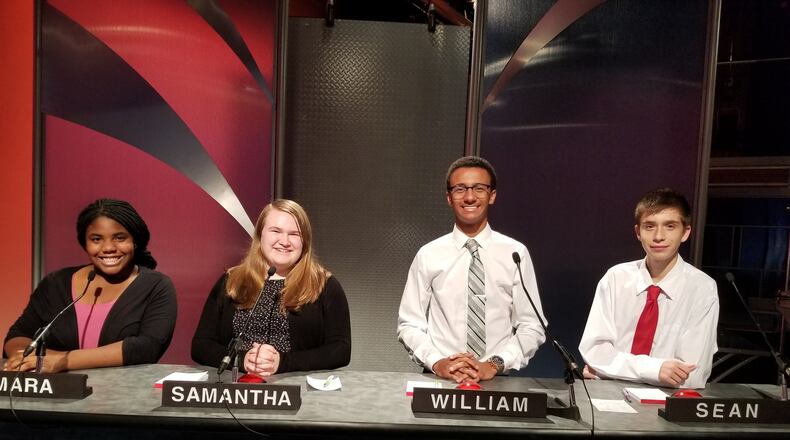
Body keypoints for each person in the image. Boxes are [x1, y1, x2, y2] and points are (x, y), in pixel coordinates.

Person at [397, 156, 546, 383]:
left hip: (497, 381)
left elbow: (532, 326)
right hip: (441, 380)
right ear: (449, 197)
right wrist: (438, 362)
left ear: (492, 195)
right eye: (460, 189)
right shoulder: (428, 254)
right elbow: (410, 324)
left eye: (479, 188)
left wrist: (494, 364)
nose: (469, 197)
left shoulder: (515, 253)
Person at [3, 199, 177, 372]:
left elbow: (146, 348)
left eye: (119, 238)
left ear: (135, 241)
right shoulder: (56, 283)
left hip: (124, 395)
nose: (108, 247)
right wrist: (26, 358)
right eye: (96, 239)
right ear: (85, 244)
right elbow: (18, 335)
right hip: (57, 394)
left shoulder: (157, 286)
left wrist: (63, 361)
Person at [191, 199, 351, 377]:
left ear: (304, 241)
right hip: (235, 391)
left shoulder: (325, 285)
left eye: (294, 234)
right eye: (276, 231)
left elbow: (340, 350)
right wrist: (241, 359)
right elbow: (201, 345)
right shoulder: (232, 280)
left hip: (299, 393)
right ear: (260, 235)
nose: (284, 241)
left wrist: (282, 363)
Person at [578, 188, 719, 389]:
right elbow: (595, 353)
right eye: (649, 226)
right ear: (638, 232)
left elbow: (691, 375)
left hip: (668, 404)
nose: (658, 236)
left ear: (685, 232)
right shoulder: (616, 278)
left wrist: (610, 370)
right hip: (610, 396)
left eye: (670, 226)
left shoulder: (702, 288)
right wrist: (656, 370)